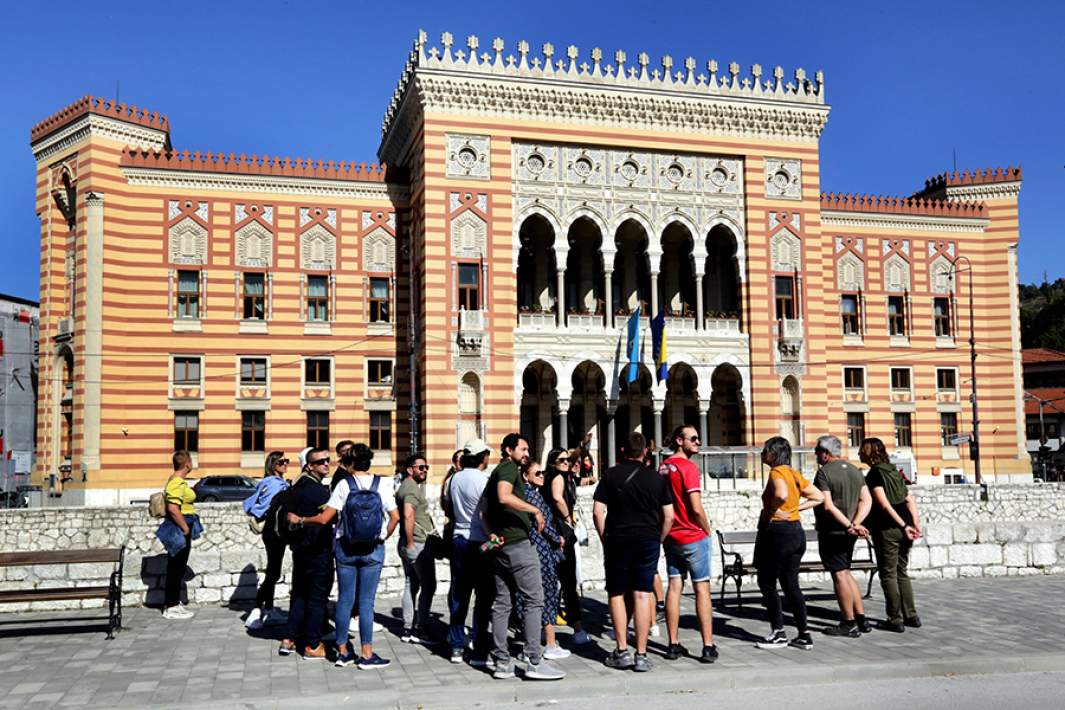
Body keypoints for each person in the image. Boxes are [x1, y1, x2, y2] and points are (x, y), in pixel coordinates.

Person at [290, 443, 399, 669]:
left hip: (346, 549)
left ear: (350, 463)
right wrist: (382, 537)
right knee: (366, 603)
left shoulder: (343, 485)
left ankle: (342, 652)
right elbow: (395, 517)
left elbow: (323, 519)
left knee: (345, 600)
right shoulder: (382, 484)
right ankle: (367, 655)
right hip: (372, 550)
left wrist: (300, 520)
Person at [483, 433, 566, 681]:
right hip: (518, 544)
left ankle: (501, 662)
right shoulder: (508, 469)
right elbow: (503, 496)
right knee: (534, 600)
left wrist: (492, 537)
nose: (526, 453)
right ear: (509, 450)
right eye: (522, 448)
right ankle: (534, 660)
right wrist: (536, 511)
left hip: (501, 546)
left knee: (502, 603)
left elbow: (484, 513)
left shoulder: (496, 472)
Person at [593, 431, 674, 673]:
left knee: (617, 593)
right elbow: (669, 516)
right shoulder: (657, 479)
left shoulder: (611, 475)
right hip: (647, 539)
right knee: (641, 594)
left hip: (618, 539)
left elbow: (598, 512)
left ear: (621, 451)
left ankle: (621, 651)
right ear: (646, 452)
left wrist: (604, 537)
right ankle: (641, 654)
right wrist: (658, 538)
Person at [754, 436, 824, 651]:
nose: (762, 454)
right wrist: (796, 510)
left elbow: (781, 494)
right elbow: (818, 496)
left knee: (766, 581)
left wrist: (774, 510)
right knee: (791, 584)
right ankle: (804, 634)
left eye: (765, 450)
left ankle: (778, 632)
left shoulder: (776, 472)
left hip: (776, 533)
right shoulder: (793, 473)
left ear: (773, 453)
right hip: (796, 532)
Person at [659, 425, 718, 663]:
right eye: (693, 438)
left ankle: (673, 643)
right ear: (679, 440)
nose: (697, 442)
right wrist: (707, 529)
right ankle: (708, 645)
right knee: (702, 588)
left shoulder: (663, 467)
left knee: (674, 586)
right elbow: (695, 507)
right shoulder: (688, 468)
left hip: (671, 536)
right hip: (692, 536)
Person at [812, 435, 873, 637]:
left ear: (826, 453)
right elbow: (866, 500)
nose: (815, 454)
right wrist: (855, 524)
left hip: (832, 531)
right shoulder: (855, 471)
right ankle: (861, 618)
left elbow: (827, 506)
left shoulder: (823, 474)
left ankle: (848, 622)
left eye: (817, 450)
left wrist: (848, 524)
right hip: (849, 532)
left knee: (839, 575)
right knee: (846, 571)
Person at [860, 437, 922, 633]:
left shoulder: (875, 474)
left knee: (888, 574)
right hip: (906, 527)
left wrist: (904, 526)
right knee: (902, 572)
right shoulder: (893, 471)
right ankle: (911, 615)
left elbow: (884, 504)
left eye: (862, 450)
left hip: (889, 528)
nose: (859, 453)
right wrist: (914, 524)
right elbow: (909, 500)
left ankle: (894, 619)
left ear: (869, 453)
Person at [278, 447, 335, 660]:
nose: (327, 464)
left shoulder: (296, 486)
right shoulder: (318, 491)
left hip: (299, 550)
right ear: (310, 466)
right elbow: (328, 518)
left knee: (300, 595)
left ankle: (289, 638)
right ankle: (312, 644)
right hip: (318, 550)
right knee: (317, 598)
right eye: (321, 462)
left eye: (328, 460)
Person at [446, 439, 495, 665]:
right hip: (479, 540)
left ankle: (456, 645)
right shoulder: (483, 480)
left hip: (458, 537)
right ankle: (479, 648)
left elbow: (448, 507)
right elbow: (488, 512)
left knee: (459, 593)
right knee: (483, 595)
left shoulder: (454, 478)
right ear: (482, 456)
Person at [517, 461, 570, 660]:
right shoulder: (531, 496)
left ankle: (535, 642)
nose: (542, 475)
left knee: (533, 597)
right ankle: (550, 643)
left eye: (543, 472)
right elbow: (544, 526)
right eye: (537, 473)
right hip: (541, 550)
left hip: (535, 549)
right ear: (525, 476)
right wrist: (559, 538)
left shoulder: (529, 493)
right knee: (547, 595)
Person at [542, 448, 591, 645]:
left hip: (551, 533)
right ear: (553, 463)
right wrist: (568, 517)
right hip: (562, 533)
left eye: (567, 459)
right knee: (569, 582)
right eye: (561, 460)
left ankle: (547, 626)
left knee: (552, 583)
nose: (566, 462)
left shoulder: (552, 477)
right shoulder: (558, 477)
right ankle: (577, 628)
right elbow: (557, 497)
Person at [243, 450, 290, 630]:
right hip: (274, 531)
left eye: (286, 461)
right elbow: (270, 506)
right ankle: (257, 608)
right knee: (273, 572)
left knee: (273, 569)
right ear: (273, 465)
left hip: (273, 531)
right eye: (281, 462)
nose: (285, 464)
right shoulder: (274, 484)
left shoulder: (271, 482)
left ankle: (269, 609)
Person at [396, 452, 438, 643]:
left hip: (405, 542)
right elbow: (408, 515)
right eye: (420, 467)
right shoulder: (412, 489)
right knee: (429, 585)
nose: (424, 470)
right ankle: (420, 629)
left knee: (410, 583)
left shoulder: (407, 486)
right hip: (417, 543)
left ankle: (406, 628)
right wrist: (412, 541)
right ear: (410, 469)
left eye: (426, 467)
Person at [160, 450, 201, 620]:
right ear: (187, 464)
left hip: (183, 525)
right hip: (179, 527)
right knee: (176, 567)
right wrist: (185, 528)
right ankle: (171, 606)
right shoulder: (176, 482)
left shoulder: (178, 481)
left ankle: (174, 603)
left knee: (178, 566)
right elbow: (173, 508)